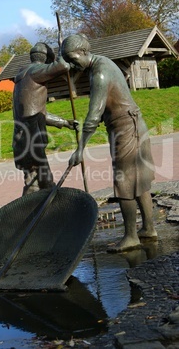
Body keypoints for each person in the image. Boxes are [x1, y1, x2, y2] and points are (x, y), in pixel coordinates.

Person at [61, 33, 157, 252]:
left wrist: (80, 149)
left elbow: (94, 115)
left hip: (126, 129)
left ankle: (131, 236)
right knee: (138, 179)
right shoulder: (104, 63)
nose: (70, 63)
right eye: (67, 59)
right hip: (132, 125)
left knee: (124, 181)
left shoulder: (100, 73)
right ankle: (148, 229)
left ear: (84, 52)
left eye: (72, 58)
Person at [13, 42, 78, 196]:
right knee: (37, 184)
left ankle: (42, 214)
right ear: (46, 59)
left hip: (24, 138)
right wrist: (63, 50)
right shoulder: (36, 71)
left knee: (41, 181)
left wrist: (65, 123)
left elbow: (39, 113)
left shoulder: (23, 77)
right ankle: (29, 216)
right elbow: (63, 66)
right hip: (31, 139)